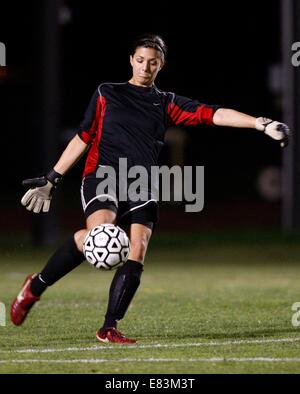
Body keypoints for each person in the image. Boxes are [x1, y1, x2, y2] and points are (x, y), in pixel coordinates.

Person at [11, 34, 290, 344]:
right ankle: (35, 287)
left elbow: (213, 114)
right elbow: (83, 137)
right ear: (131, 59)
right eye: (140, 60)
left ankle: (108, 327)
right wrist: (53, 177)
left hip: (142, 184)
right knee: (100, 236)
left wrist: (260, 123)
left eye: (152, 62)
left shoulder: (166, 102)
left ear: (161, 65)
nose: (145, 67)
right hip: (103, 177)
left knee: (137, 249)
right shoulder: (108, 93)